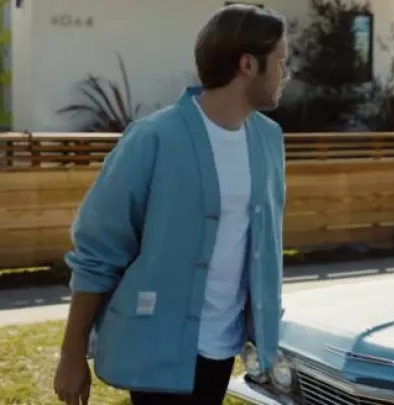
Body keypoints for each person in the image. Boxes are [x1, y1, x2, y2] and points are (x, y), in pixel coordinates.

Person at [52, 4, 288, 405]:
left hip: (223, 349)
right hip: (157, 349)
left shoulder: (268, 140)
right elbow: (97, 252)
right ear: (248, 64)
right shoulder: (154, 138)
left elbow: (264, 245)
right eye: (281, 62)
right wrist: (71, 355)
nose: (286, 74)